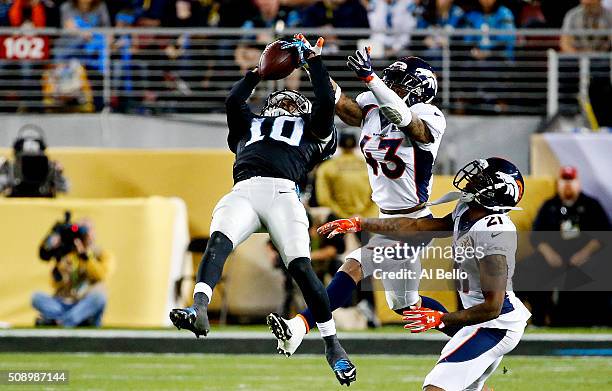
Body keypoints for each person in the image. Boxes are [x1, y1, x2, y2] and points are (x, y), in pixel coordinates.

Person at [169, 36, 357, 386]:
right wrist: (257, 72)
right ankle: (199, 308)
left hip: (285, 193)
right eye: (280, 97)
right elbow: (233, 99)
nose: (285, 103)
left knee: (301, 265)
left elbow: (326, 103)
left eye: (292, 101)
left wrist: (314, 62)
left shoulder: (312, 129)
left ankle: (332, 344)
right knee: (219, 239)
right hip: (244, 190)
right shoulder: (249, 125)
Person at [267, 43, 449, 357]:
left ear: (418, 90)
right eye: (388, 80)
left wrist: (371, 80)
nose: (388, 85)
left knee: (355, 264)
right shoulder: (374, 106)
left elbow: (408, 122)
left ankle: (299, 327)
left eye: (398, 83)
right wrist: (314, 64)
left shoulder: (429, 115)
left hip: (413, 220)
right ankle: (468, 331)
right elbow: (340, 102)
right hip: (385, 216)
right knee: (407, 305)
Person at [319, 157, 531, 391]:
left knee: (435, 387)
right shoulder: (469, 211)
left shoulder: (494, 233)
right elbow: (416, 227)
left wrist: (439, 319)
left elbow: (493, 307)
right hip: (483, 322)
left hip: (495, 326)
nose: (471, 180)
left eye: (481, 179)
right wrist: (361, 223)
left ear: (497, 191)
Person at [524, 166, 611, 325]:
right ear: (559, 183)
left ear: (578, 183)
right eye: (564, 180)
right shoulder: (549, 206)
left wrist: (585, 254)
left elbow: (603, 234)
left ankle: (598, 320)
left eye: (571, 181)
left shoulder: (591, 205)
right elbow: (536, 236)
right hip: (554, 257)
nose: (568, 185)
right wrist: (549, 254)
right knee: (529, 269)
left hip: (586, 257)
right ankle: (539, 319)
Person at [32, 214, 115, 327]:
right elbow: (55, 283)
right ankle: (75, 320)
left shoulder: (102, 255)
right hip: (66, 302)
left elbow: (101, 275)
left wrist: (85, 257)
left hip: (85, 303)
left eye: (86, 231)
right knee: (36, 298)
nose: (83, 235)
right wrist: (61, 266)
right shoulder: (68, 255)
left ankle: (59, 321)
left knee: (100, 297)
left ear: (93, 234)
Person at [315, 132, 378, 219]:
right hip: (367, 220)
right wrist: (362, 217)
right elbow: (378, 194)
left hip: (339, 220)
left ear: (339, 146)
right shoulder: (370, 165)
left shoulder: (327, 166)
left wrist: (345, 217)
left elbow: (323, 198)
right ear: (356, 145)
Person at [0, 126, 69, 197]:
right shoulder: (11, 168)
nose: (31, 165)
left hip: (43, 200)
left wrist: (58, 174)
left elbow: (64, 189)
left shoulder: (50, 169)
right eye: (26, 160)